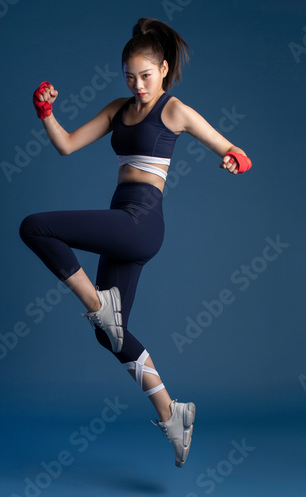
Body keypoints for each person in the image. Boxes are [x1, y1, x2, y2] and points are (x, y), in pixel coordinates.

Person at [19, 17, 252, 468]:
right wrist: (46, 113)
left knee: (35, 226)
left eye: (146, 76)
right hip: (120, 216)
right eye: (130, 77)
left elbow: (236, 153)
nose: (138, 85)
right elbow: (66, 145)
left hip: (142, 221)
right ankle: (173, 413)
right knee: (111, 337)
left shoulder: (174, 109)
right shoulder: (118, 109)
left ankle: (94, 301)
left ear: (163, 69)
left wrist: (231, 162)